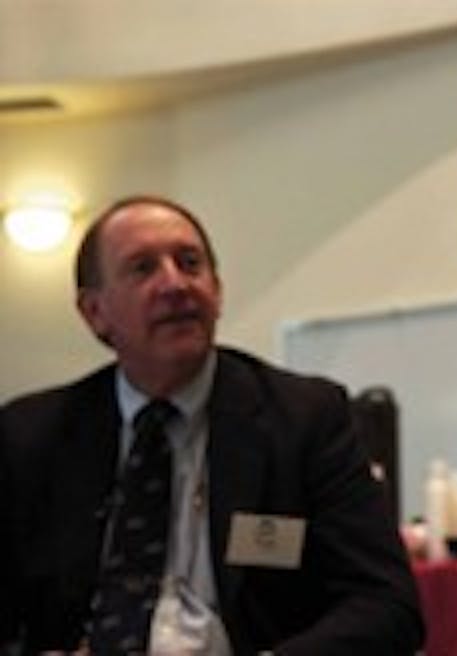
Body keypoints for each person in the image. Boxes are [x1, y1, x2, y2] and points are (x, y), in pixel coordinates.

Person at [0, 195, 425, 654]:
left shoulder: (305, 418)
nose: (175, 284)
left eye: (189, 263)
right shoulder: (32, 435)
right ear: (94, 312)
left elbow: (386, 606)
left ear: (217, 291)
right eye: (143, 269)